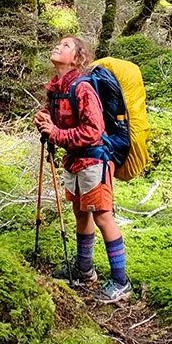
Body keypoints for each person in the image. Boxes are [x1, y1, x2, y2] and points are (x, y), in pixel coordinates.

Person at [33, 35, 131, 304]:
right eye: (59, 43)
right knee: (80, 213)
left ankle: (122, 281)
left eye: (66, 46)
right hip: (74, 161)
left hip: (95, 161)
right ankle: (85, 270)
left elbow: (92, 132)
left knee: (102, 216)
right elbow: (60, 120)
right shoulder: (55, 88)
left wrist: (55, 134)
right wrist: (44, 119)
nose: (58, 46)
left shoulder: (83, 89)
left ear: (77, 58)